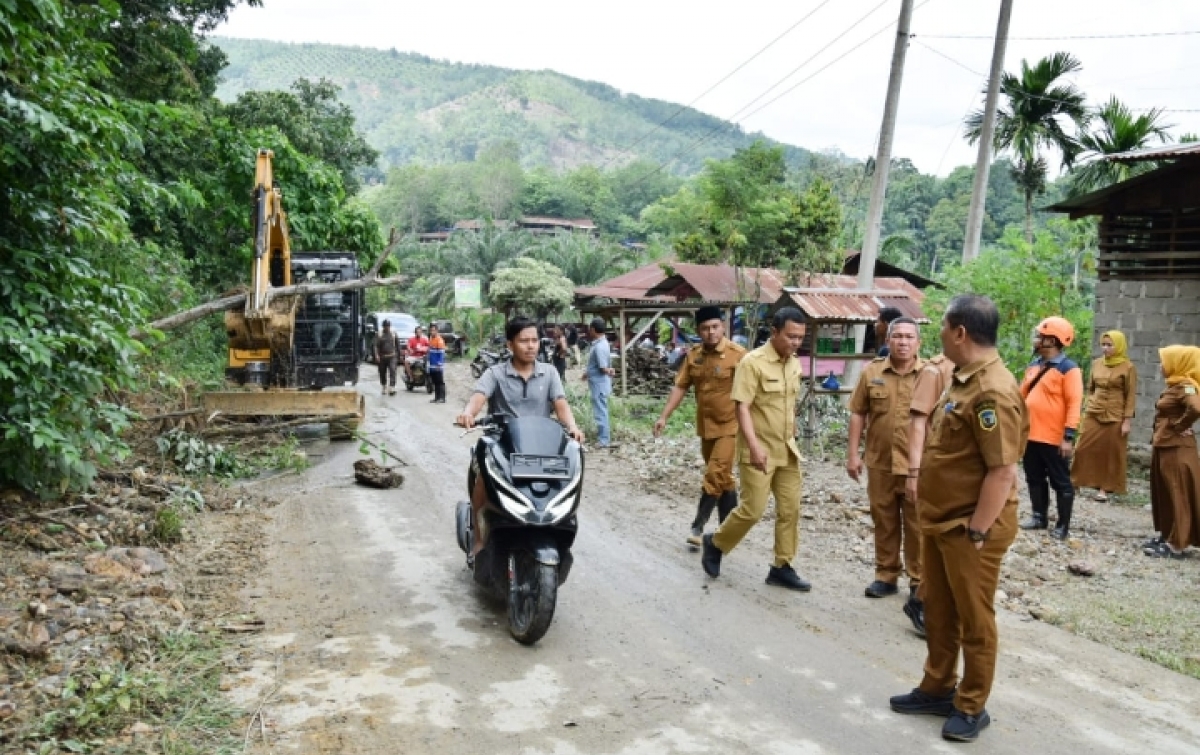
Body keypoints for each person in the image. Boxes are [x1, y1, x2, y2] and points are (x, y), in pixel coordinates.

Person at [889, 294, 1028, 744]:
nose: (940, 336)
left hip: (970, 528)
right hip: (942, 521)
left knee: (974, 619)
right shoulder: (964, 380)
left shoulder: (993, 391)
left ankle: (971, 704)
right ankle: (936, 687)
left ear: (961, 333)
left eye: (944, 328)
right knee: (941, 612)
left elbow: (1003, 470)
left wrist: (978, 531)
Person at [700, 307, 811, 592]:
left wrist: (793, 429)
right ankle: (716, 543)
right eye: (791, 336)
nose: (796, 342)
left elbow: (789, 404)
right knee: (753, 509)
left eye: (800, 337)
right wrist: (753, 446)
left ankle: (782, 566)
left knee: (790, 509)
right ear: (774, 332)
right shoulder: (753, 362)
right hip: (758, 449)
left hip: (786, 450)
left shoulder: (795, 364)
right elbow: (742, 407)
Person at [457, 317, 586, 555]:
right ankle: (479, 536)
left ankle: (555, 526)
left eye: (534, 340)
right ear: (510, 345)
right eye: (523, 341)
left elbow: (560, 404)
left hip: (541, 444)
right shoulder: (495, 373)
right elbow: (478, 397)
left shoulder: (549, 373)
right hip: (503, 443)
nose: (530, 346)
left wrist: (572, 427)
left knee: (565, 477)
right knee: (483, 479)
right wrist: (468, 413)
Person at [847, 317, 926, 609]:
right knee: (884, 520)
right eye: (898, 337)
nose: (903, 342)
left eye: (909, 337)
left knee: (917, 525)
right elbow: (858, 413)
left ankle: (919, 580)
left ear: (918, 343)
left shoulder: (930, 375)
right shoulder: (873, 373)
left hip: (918, 466)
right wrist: (853, 454)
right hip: (880, 461)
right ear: (888, 340)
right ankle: (886, 574)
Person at [653, 306, 747, 547]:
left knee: (715, 473)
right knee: (723, 478)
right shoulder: (694, 355)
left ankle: (698, 525)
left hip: (731, 425)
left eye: (715, 327)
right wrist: (664, 416)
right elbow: (681, 386)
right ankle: (730, 529)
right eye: (705, 328)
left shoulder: (739, 355)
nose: (711, 332)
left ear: (723, 327)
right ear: (698, 331)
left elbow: (752, 392)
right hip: (706, 427)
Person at [903, 350, 956, 637]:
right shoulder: (936, 371)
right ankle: (922, 600)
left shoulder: (981, 372)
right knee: (934, 538)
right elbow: (918, 422)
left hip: (964, 473)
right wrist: (914, 472)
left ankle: (932, 601)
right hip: (936, 469)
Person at [1019, 317, 1084, 539]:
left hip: (1054, 437)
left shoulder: (1069, 369)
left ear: (1052, 340)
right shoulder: (1035, 365)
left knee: (1061, 481)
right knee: (1033, 477)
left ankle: (1063, 526)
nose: (1036, 339)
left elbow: (1074, 403)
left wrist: (1068, 436)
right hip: (1030, 434)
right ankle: (1039, 516)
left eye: (1040, 335)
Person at [1144, 345, 1200, 559]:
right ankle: (1168, 534)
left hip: (1176, 448)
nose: (1161, 366)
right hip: (1165, 445)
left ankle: (1178, 544)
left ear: (1179, 362)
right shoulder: (1175, 385)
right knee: (1165, 492)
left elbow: (1196, 407)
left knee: (1178, 493)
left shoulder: (1187, 386)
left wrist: (1178, 426)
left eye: (1165, 360)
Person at [1071, 331, 1137, 501]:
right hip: (1094, 410)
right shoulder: (1096, 364)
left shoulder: (1128, 367)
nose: (1105, 348)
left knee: (1111, 452)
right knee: (1082, 446)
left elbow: (1130, 395)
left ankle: (1104, 489)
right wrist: (1088, 403)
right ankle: (1075, 481)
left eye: (1110, 345)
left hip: (1116, 414)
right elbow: (1090, 387)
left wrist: (1127, 420)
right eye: (1104, 344)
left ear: (1119, 346)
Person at [585, 318, 615, 448]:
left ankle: (603, 440)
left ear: (593, 329)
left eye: (589, 329)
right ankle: (604, 438)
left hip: (599, 384)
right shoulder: (602, 343)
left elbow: (603, 368)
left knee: (600, 411)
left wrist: (610, 371)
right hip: (598, 382)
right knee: (601, 410)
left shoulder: (599, 347)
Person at [374, 319, 400, 395]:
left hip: (392, 355)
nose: (387, 327)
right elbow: (375, 346)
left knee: (392, 370)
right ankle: (384, 385)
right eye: (385, 326)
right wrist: (376, 355)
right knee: (382, 372)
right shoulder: (379, 334)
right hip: (382, 356)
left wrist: (399, 355)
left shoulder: (393, 334)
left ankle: (392, 387)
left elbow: (398, 345)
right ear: (383, 326)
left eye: (388, 326)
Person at [427, 323, 447, 404]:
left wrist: (439, 364)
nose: (432, 332)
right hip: (432, 365)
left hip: (438, 365)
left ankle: (442, 398)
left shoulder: (439, 340)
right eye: (431, 330)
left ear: (437, 331)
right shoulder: (431, 339)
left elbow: (441, 354)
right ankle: (436, 397)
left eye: (434, 330)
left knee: (440, 381)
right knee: (435, 382)